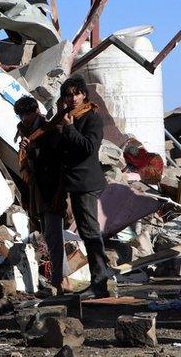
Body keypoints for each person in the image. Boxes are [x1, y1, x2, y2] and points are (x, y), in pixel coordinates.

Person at [56, 76, 113, 298]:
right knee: (87, 231)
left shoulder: (91, 119)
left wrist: (69, 129)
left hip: (86, 183)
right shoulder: (65, 118)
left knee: (90, 232)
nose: (72, 98)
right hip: (73, 183)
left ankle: (100, 282)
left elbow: (89, 148)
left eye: (76, 94)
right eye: (68, 95)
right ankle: (101, 278)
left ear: (84, 95)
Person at [15, 95, 70, 295]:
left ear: (36, 112)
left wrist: (31, 151)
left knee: (54, 236)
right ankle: (61, 280)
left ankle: (59, 282)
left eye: (26, 114)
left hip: (52, 190)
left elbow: (53, 162)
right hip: (39, 192)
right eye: (21, 116)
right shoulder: (26, 134)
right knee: (50, 235)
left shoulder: (48, 131)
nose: (24, 119)